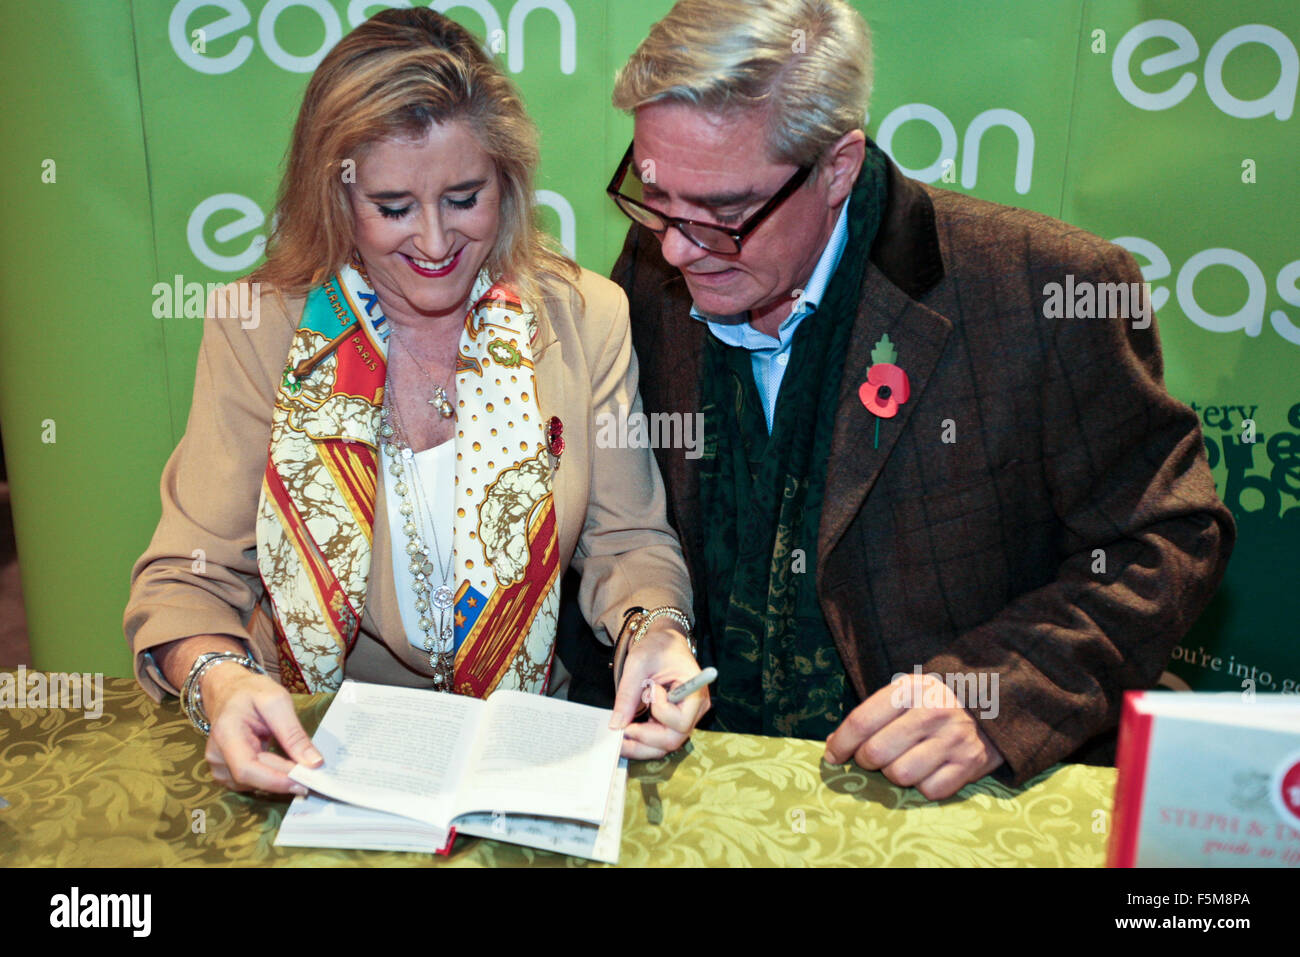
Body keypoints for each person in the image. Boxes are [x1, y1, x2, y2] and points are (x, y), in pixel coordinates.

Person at [606, 0, 1235, 799]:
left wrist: (995, 698)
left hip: (940, 804)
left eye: (727, 215)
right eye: (656, 197)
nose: (676, 245)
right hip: (709, 787)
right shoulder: (656, 265)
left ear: (838, 166)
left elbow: (1166, 541)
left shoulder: (1045, 290)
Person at [123, 7, 707, 797]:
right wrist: (223, 682)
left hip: (526, 761)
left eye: (464, 197)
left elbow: (630, 541)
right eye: (393, 208)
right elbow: (186, 582)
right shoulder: (260, 329)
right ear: (336, 200)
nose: (434, 243)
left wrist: (654, 633)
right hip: (314, 751)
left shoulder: (583, 316)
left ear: (507, 181)